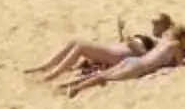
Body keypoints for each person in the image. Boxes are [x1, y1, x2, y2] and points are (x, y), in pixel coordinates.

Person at [64, 14, 185, 96]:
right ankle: (76, 89)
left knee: (103, 75)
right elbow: (181, 64)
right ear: (182, 38)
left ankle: (75, 85)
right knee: (103, 78)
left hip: (133, 60)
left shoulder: (164, 40)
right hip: (138, 67)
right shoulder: (175, 46)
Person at [26, 20, 156, 81]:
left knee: (81, 47)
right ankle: (47, 65)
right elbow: (125, 43)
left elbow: (143, 56)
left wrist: (132, 42)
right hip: (110, 51)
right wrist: (122, 32)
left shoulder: (143, 48)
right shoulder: (135, 42)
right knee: (75, 41)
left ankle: (55, 73)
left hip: (114, 56)